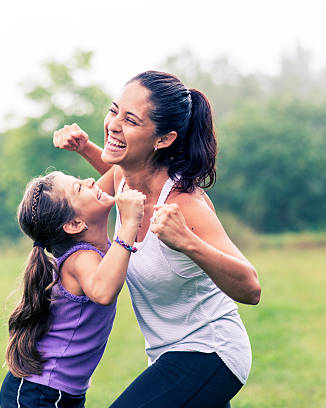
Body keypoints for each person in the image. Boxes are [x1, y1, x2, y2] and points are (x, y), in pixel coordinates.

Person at [53, 70, 261, 407]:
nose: (113, 124)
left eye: (131, 120)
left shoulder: (184, 204)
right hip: (168, 354)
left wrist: (187, 243)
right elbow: (95, 195)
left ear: (163, 140)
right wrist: (85, 148)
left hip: (210, 351)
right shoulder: (123, 180)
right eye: (114, 110)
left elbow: (251, 288)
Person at [0, 171, 146, 407]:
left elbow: (118, 171)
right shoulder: (80, 259)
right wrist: (129, 224)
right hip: (40, 393)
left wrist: (85, 146)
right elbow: (103, 292)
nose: (91, 181)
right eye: (79, 187)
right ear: (75, 224)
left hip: (57, 392)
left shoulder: (92, 248)